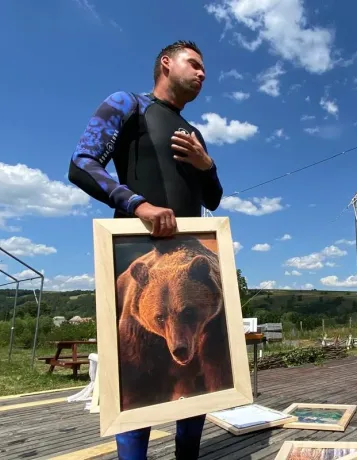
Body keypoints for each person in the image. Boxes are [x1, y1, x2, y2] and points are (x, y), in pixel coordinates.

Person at [67, 40, 222, 460]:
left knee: (197, 389)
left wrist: (207, 166)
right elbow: (81, 163)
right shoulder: (127, 103)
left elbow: (214, 199)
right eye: (195, 64)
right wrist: (137, 204)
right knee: (135, 385)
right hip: (137, 253)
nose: (203, 73)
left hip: (190, 258)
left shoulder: (195, 133)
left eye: (205, 68)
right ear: (166, 64)